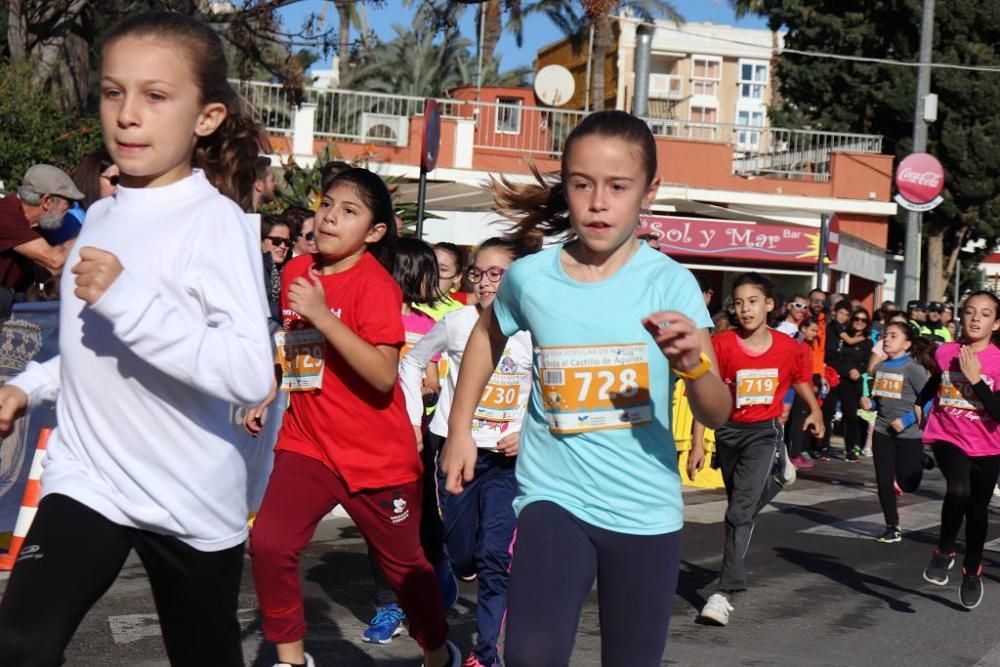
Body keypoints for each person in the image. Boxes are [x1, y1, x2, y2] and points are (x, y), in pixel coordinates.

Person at [0, 12, 274, 666]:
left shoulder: (218, 224)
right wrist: (25, 385)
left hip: (189, 495)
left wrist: (129, 299)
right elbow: (92, 352)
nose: (127, 114)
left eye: (155, 95)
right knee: (19, 644)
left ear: (205, 117)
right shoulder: (97, 216)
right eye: (113, 91)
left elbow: (247, 372)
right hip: (89, 476)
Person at [441, 110, 731, 666]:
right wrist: (460, 430)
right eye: (582, 184)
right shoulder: (531, 277)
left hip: (644, 508)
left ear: (649, 191)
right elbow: (486, 336)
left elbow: (717, 411)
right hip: (556, 496)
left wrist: (695, 367)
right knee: (530, 655)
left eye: (618, 187)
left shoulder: (670, 282)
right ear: (566, 187)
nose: (598, 202)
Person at [246, 167, 460, 667]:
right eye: (326, 206)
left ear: (374, 232)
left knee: (405, 568)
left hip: (375, 459)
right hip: (308, 444)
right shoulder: (299, 272)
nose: (330, 218)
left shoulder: (375, 287)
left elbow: (383, 376)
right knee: (270, 543)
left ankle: (436, 651)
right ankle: (291, 659)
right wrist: (269, 388)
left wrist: (322, 314)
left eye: (349, 212)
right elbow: (300, 351)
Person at [401, 237, 532, 667]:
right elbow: (413, 361)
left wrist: (529, 431)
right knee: (461, 554)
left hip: (507, 460)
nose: (485, 281)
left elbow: (554, 390)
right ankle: (453, 570)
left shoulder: (536, 331)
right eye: (478, 272)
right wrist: (412, 416)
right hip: (457, 454)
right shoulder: (457, 322)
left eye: (497, 273)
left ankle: (485, 652)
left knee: (496, 557)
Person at [695, 272, 824, 626]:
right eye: (738, 303)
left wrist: (814, 410)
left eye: (752, 301)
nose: (745, 309)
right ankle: (780, 475)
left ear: (769, 304)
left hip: (764, 432)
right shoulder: (721, 344)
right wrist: (696, 443)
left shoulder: (789, 347)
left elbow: (799, 380)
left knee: (738, 512)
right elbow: (704, 393)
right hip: (728, 432)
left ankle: (724, 592)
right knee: (740, 508)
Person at [363, 236, 454, 645]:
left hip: (419, 434)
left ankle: (435, 572)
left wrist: (420, 383)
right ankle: (388, 605)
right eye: (428, 274)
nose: (434, 282)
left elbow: (432, 381)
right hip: (375, 434)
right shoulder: (367, 320)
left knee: (423, 518)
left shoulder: (426, 324)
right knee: (378, 521)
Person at [918, 291, 1000, 609]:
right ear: (961, 316)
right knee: (958, 490)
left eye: (985, 313)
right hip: (948, 435)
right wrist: (919, 401)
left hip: (989, 445)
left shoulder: (997, 360)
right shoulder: (945, 352)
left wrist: (976, 379)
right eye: (969, 311)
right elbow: (937, 380)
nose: (976, 318)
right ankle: (944, 549)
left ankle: (971, 571)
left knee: (978, 511)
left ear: (996, 323)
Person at [859, 321, 935, 543]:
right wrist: (870, 404)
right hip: (883, 432)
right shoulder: (880, 368)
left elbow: (929, 401)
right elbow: (880, 400)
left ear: (907, 344)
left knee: (908, 484)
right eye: (885, 335)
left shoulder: (914, 369)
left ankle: (920, 460)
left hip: (909, 434)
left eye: (893, 336)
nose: (887, 339)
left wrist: (908, 420)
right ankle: (892, 526)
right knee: (883, 481)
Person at [0, 164, 81, 301]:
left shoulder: (35, 228)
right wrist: (89, 231)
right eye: (69, 203)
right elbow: (54, 260)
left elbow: (51, 270)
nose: (71, 209)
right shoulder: (6, 215)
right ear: (47, 201)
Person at [822, 305, 873, 461]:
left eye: (863, 320)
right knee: (828, 411)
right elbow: (832, 356)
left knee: (850, 415)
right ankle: (822, 447)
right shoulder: (841, 336)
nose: (859, 322)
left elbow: (866, 363)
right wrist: (845, 369)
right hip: (836, 377)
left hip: (852, 382)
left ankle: (851, 449)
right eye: (856, 319)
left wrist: (858, 370)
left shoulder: (867, 342)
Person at [786, 317, 821, 469]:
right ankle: (794, 454)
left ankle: (794, 453)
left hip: (804, 386)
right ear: (804, 328)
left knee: (798, 421)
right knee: (798, 423)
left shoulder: (804, 345)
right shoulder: (799, 345)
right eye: (813, 330)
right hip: (799, 388)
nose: (815, 334)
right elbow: (799, 371)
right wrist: (809, 386)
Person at [260, 215, 293, 326]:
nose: (283, 246)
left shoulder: (290, 268)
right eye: (277, 241)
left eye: (287, 242)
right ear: (261, 240)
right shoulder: (255, 270)